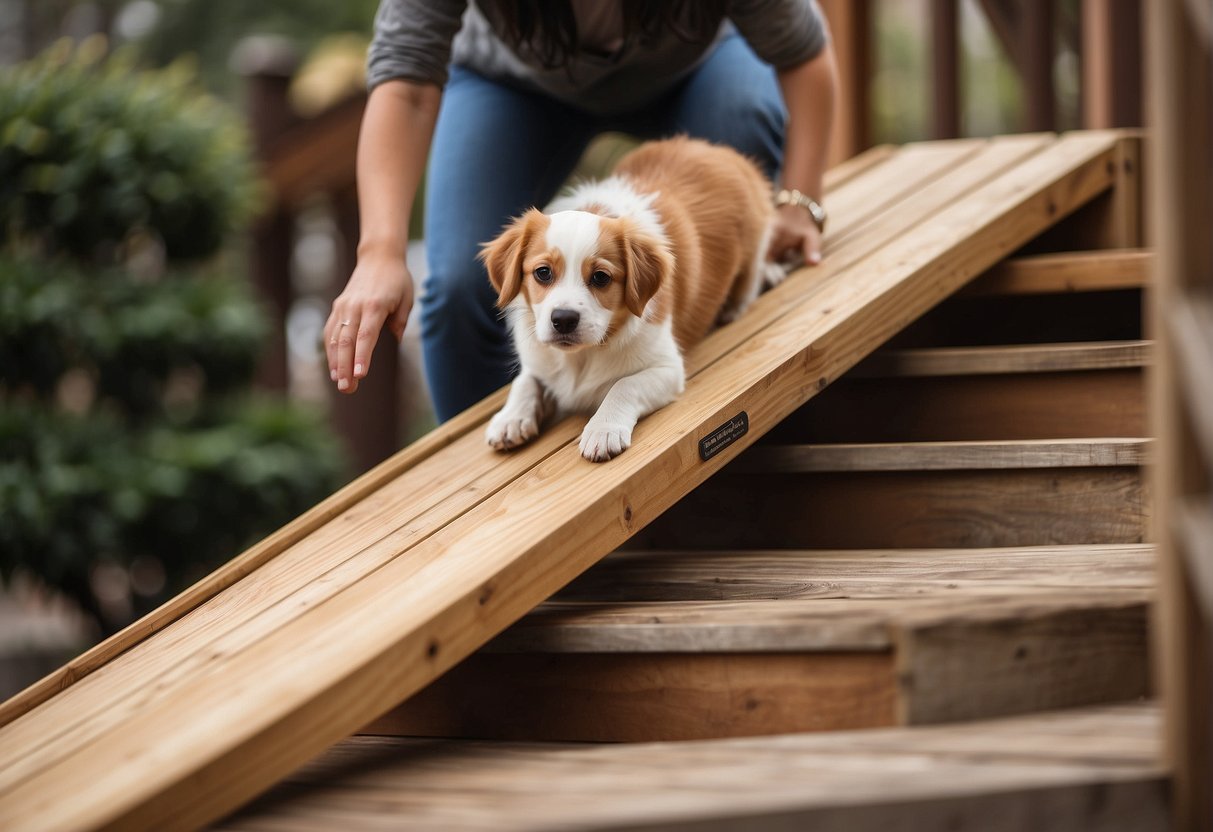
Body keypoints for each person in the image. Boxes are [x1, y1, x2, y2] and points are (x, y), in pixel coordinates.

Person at [325, 0, 837, 422]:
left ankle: (715, 421)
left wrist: (798, 202)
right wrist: (380, 252)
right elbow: (406, 85)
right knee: (459, 284)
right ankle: (479, 494)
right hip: (510, 82)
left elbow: (804, 55)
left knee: (739, 136)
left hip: (698, 60)